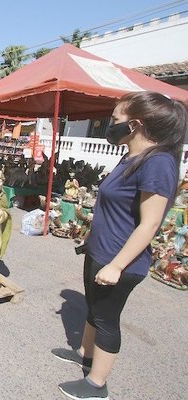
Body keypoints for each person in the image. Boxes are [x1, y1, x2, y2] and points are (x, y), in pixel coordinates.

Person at [53, 91, 187, 400]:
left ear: (136, 124)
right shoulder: (131, 156)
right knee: (94, 309)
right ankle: (85, 354)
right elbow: (114, 207)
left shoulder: (158, 164)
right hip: (101, 250)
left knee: (106, 319)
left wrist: (116, 265)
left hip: (120, 260)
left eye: (115, 120)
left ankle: (97, 384)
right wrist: (91, 236)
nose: (110, 124)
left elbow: (150, 223)